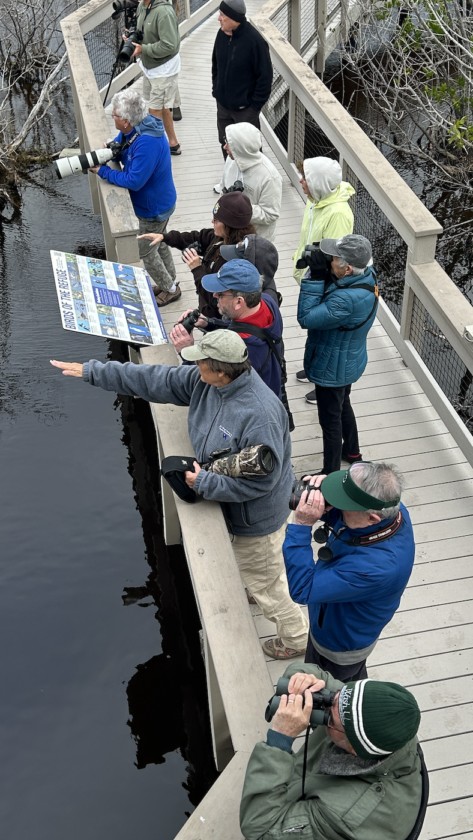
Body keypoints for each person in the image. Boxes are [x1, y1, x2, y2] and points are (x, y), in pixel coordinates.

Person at [50, 331, 309, 660]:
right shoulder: (208, 382)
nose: (193, 363)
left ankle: (296, 636)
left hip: (257, 521)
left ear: (221, 371)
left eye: (200, 361)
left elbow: (262, 484)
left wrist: (203, 482)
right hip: (237, 511)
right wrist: (94, 372)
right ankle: (257, 587)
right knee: (261, 573)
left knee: (268, 585)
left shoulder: (260, 416)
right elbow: (156, 379)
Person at [240, 661, 422, 840]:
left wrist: (280, 740)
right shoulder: (385, 726)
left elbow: (260, 829)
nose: (327, 705)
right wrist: (302, 679)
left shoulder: (340, 813)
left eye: (330, 721)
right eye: (336, 697)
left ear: (353, 749)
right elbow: (316, 676)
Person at [283, 462, 415, 681]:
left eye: (343, 504)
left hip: (338, 647)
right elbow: (353, 519)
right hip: (342, 623)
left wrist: (301, 526)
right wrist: (325, 493)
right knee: (353, 680)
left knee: (328, 691)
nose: (338, 506)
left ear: (372, 518)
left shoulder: (376, 568)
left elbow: (303, 589)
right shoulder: (391, 510)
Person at [89, 89, 180, 308]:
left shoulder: (147, 143)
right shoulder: (141, 125)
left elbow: (134, 180)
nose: (113, 117)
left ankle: (170, 290)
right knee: (159, 241)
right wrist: (114, 148)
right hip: (161, 202)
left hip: (153, 208)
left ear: (126, 121)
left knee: (146, 251)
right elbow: (124, 142)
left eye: (114, 115)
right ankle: (170, 281)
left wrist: (103, 171)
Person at [297, 234, 378, 474]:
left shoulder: (345, 301)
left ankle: (329, 474)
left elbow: (306, 317)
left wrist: (314, 277)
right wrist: (328, 270)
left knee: (330, 422)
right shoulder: (367, 275)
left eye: (333, 258)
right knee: (343, 405)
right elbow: (340, 286)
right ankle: (352, 452)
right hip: (348, 359)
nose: (329, 260)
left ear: (348, 268)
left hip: (331, 367)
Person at [170, 260, 284, 399]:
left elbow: (204, 385)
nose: (214, 295)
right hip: (273, 383)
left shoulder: (241, 350)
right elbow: (241, 326)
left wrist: (186, 352)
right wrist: (208, 323)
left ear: (239, 302)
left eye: (220, 293)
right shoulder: (266, 302)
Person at [138, 192, 257, 320]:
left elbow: (214, 297)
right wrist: (164, 237)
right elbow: (196, 238)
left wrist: (197, 269)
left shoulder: (234, 261)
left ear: (229, 226)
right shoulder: (220, 237)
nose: (212, 221)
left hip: (216, 319)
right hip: (205, 309)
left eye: (216, 220)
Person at [212, 0, 273, 157]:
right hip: (223, 107)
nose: (219, 18)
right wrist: (217, 90)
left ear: (234, 18)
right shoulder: (221, 34)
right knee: (226, 146)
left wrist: (253, 108)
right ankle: (230, 173)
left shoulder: (255, 42)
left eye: (222, 15)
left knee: (250, 151)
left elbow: (265, 78)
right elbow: (215, 65)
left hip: (245, 111)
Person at [213, 123, 282, 242]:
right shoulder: (231, 160)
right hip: (230, 235)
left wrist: (238, 209)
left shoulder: (270, 177)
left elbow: (270, 215)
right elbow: (223, 191)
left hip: (256, 240)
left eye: (229, 144)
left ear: (241, 147)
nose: (225, 147)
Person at [292, 157, 355, 286]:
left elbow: (333, 261)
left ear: (318, 184)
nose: (300, 180)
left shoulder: (338, 215)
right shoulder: (315, 199)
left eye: (305, 178)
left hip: (318, 284)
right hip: (307, 276)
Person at [130, 0, 182, 154]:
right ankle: (173, 144)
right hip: (150, 67)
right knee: (163, 107)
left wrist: (143, 49)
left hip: (164, 70)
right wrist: (132, 39)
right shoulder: (142, 6)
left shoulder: (164, 12)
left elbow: (170, 45)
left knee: (154, 111)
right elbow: (144, 33)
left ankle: (156, 153)